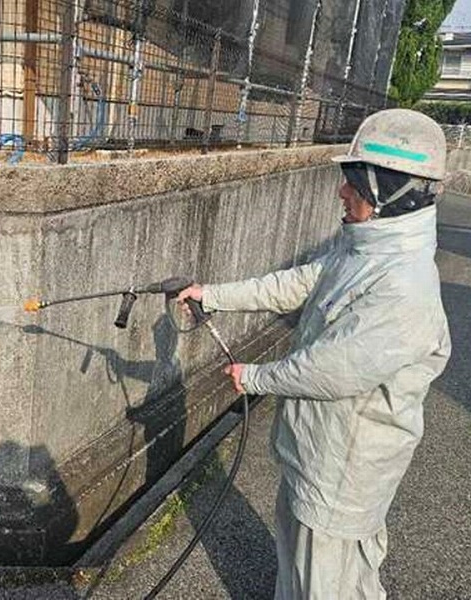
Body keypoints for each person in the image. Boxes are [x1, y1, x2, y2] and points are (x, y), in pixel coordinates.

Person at [177, 108, 452, 599]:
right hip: (320, 457)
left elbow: (335, 369)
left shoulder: (403, 285)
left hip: (344, 473)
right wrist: (212, 294)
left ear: (392, 189)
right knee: (307, 569)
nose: (342, 192)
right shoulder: (365, 251)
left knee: (326, 580)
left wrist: (256, 377)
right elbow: (296, 283)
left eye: (355, 182)